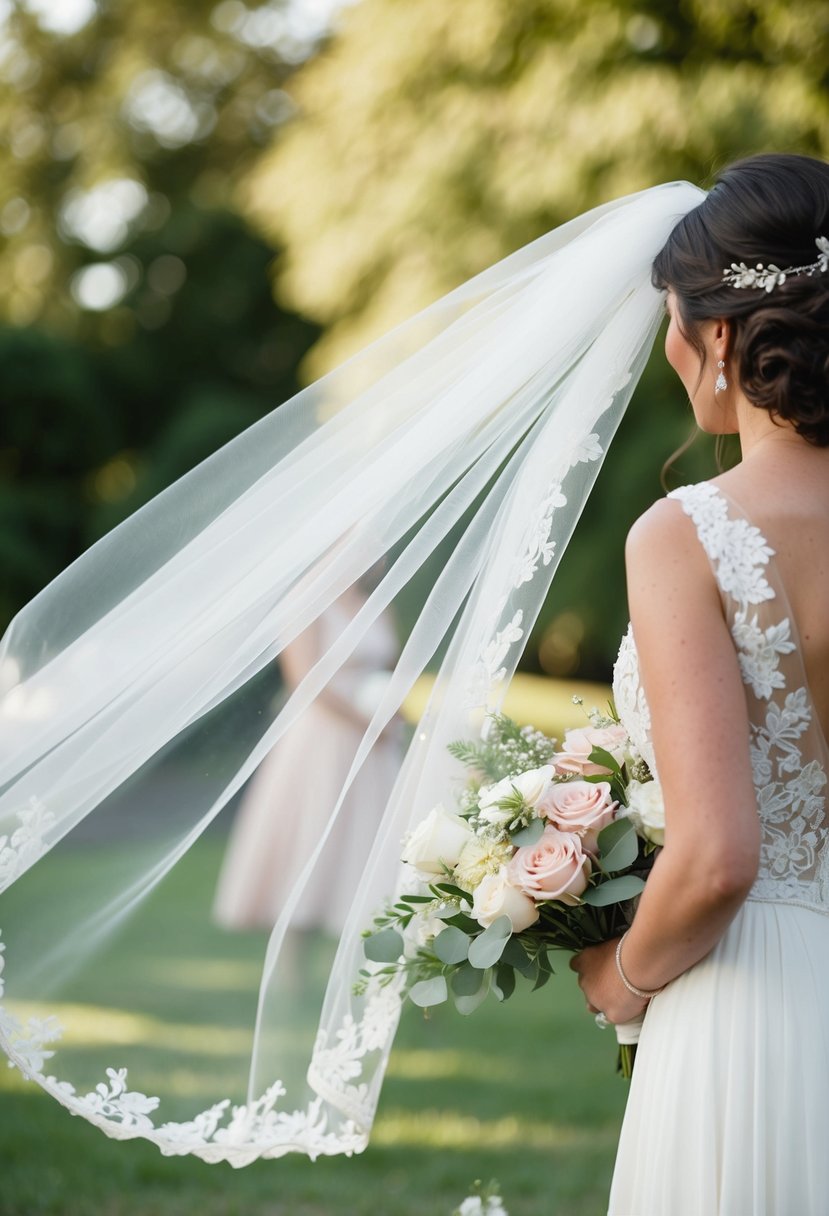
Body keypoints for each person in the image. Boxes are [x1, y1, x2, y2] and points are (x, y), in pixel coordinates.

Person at [570, 152, 829, 1213]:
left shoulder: (688, 536)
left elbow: (720, 858)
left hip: (746, 1011)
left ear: (718, 335)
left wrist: (617, 977)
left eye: (672, 322)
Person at [213, 586, 403, 935]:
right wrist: (366, 724)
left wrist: (391, 711)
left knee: (368, 831)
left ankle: (354, 949)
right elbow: (305, 679)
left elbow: (391, 667)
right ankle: (289, 964)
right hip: (324, 736)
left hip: (377, 738)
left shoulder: (377, 604)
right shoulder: (308, 604)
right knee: (311, 830)